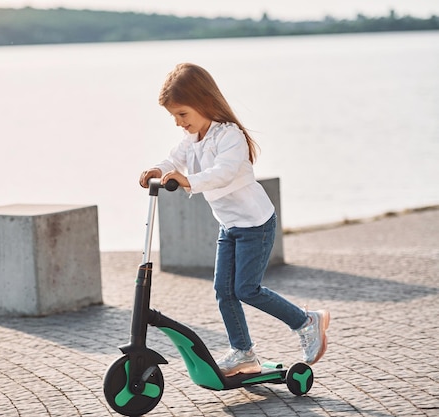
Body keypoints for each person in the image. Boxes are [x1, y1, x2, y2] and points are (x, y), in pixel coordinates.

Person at [139, 63, 330, 377]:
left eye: (182, 114)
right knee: (223, 290)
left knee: (246, 288)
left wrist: (188, 181)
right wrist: (157, 170)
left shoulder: (230, 136)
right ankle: (243, 352)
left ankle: (306, 321)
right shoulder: (192, 140)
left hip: (256, 224)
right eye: (173, 116)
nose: (178, 122)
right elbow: (172, 159)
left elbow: (223, 173)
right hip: (229, 226)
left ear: (203, 103)